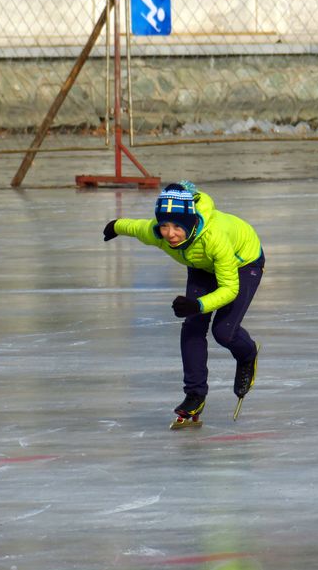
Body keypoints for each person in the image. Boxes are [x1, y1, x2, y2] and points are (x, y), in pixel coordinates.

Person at [102, 181, 264, 427]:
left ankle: (247, 354)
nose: (170, 234)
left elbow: (230, 289)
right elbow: (136, 227)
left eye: (178, 226)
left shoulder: (214, 237)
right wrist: (115, 226)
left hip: (243, 263)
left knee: (223, 332)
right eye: (165, 225)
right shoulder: (158, 234)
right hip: (201, 265)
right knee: (192, 327)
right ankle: (195, 395)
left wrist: (198, 305)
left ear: (190, 223)